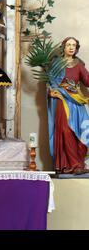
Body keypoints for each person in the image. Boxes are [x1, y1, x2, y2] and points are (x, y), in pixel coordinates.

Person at [47, 37, 89, 174]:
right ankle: (67, 165)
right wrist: (50, 92)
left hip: (76, 102)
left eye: (74, 45)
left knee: (82, 133)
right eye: (68, 45)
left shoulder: (79, 65)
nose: (71, 47)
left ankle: (78, 165)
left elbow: (87, 81)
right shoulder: (56, 64)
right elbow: (48, 83)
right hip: (61, 101)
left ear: (76, 49)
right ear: (63, 47)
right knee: (65, 130)